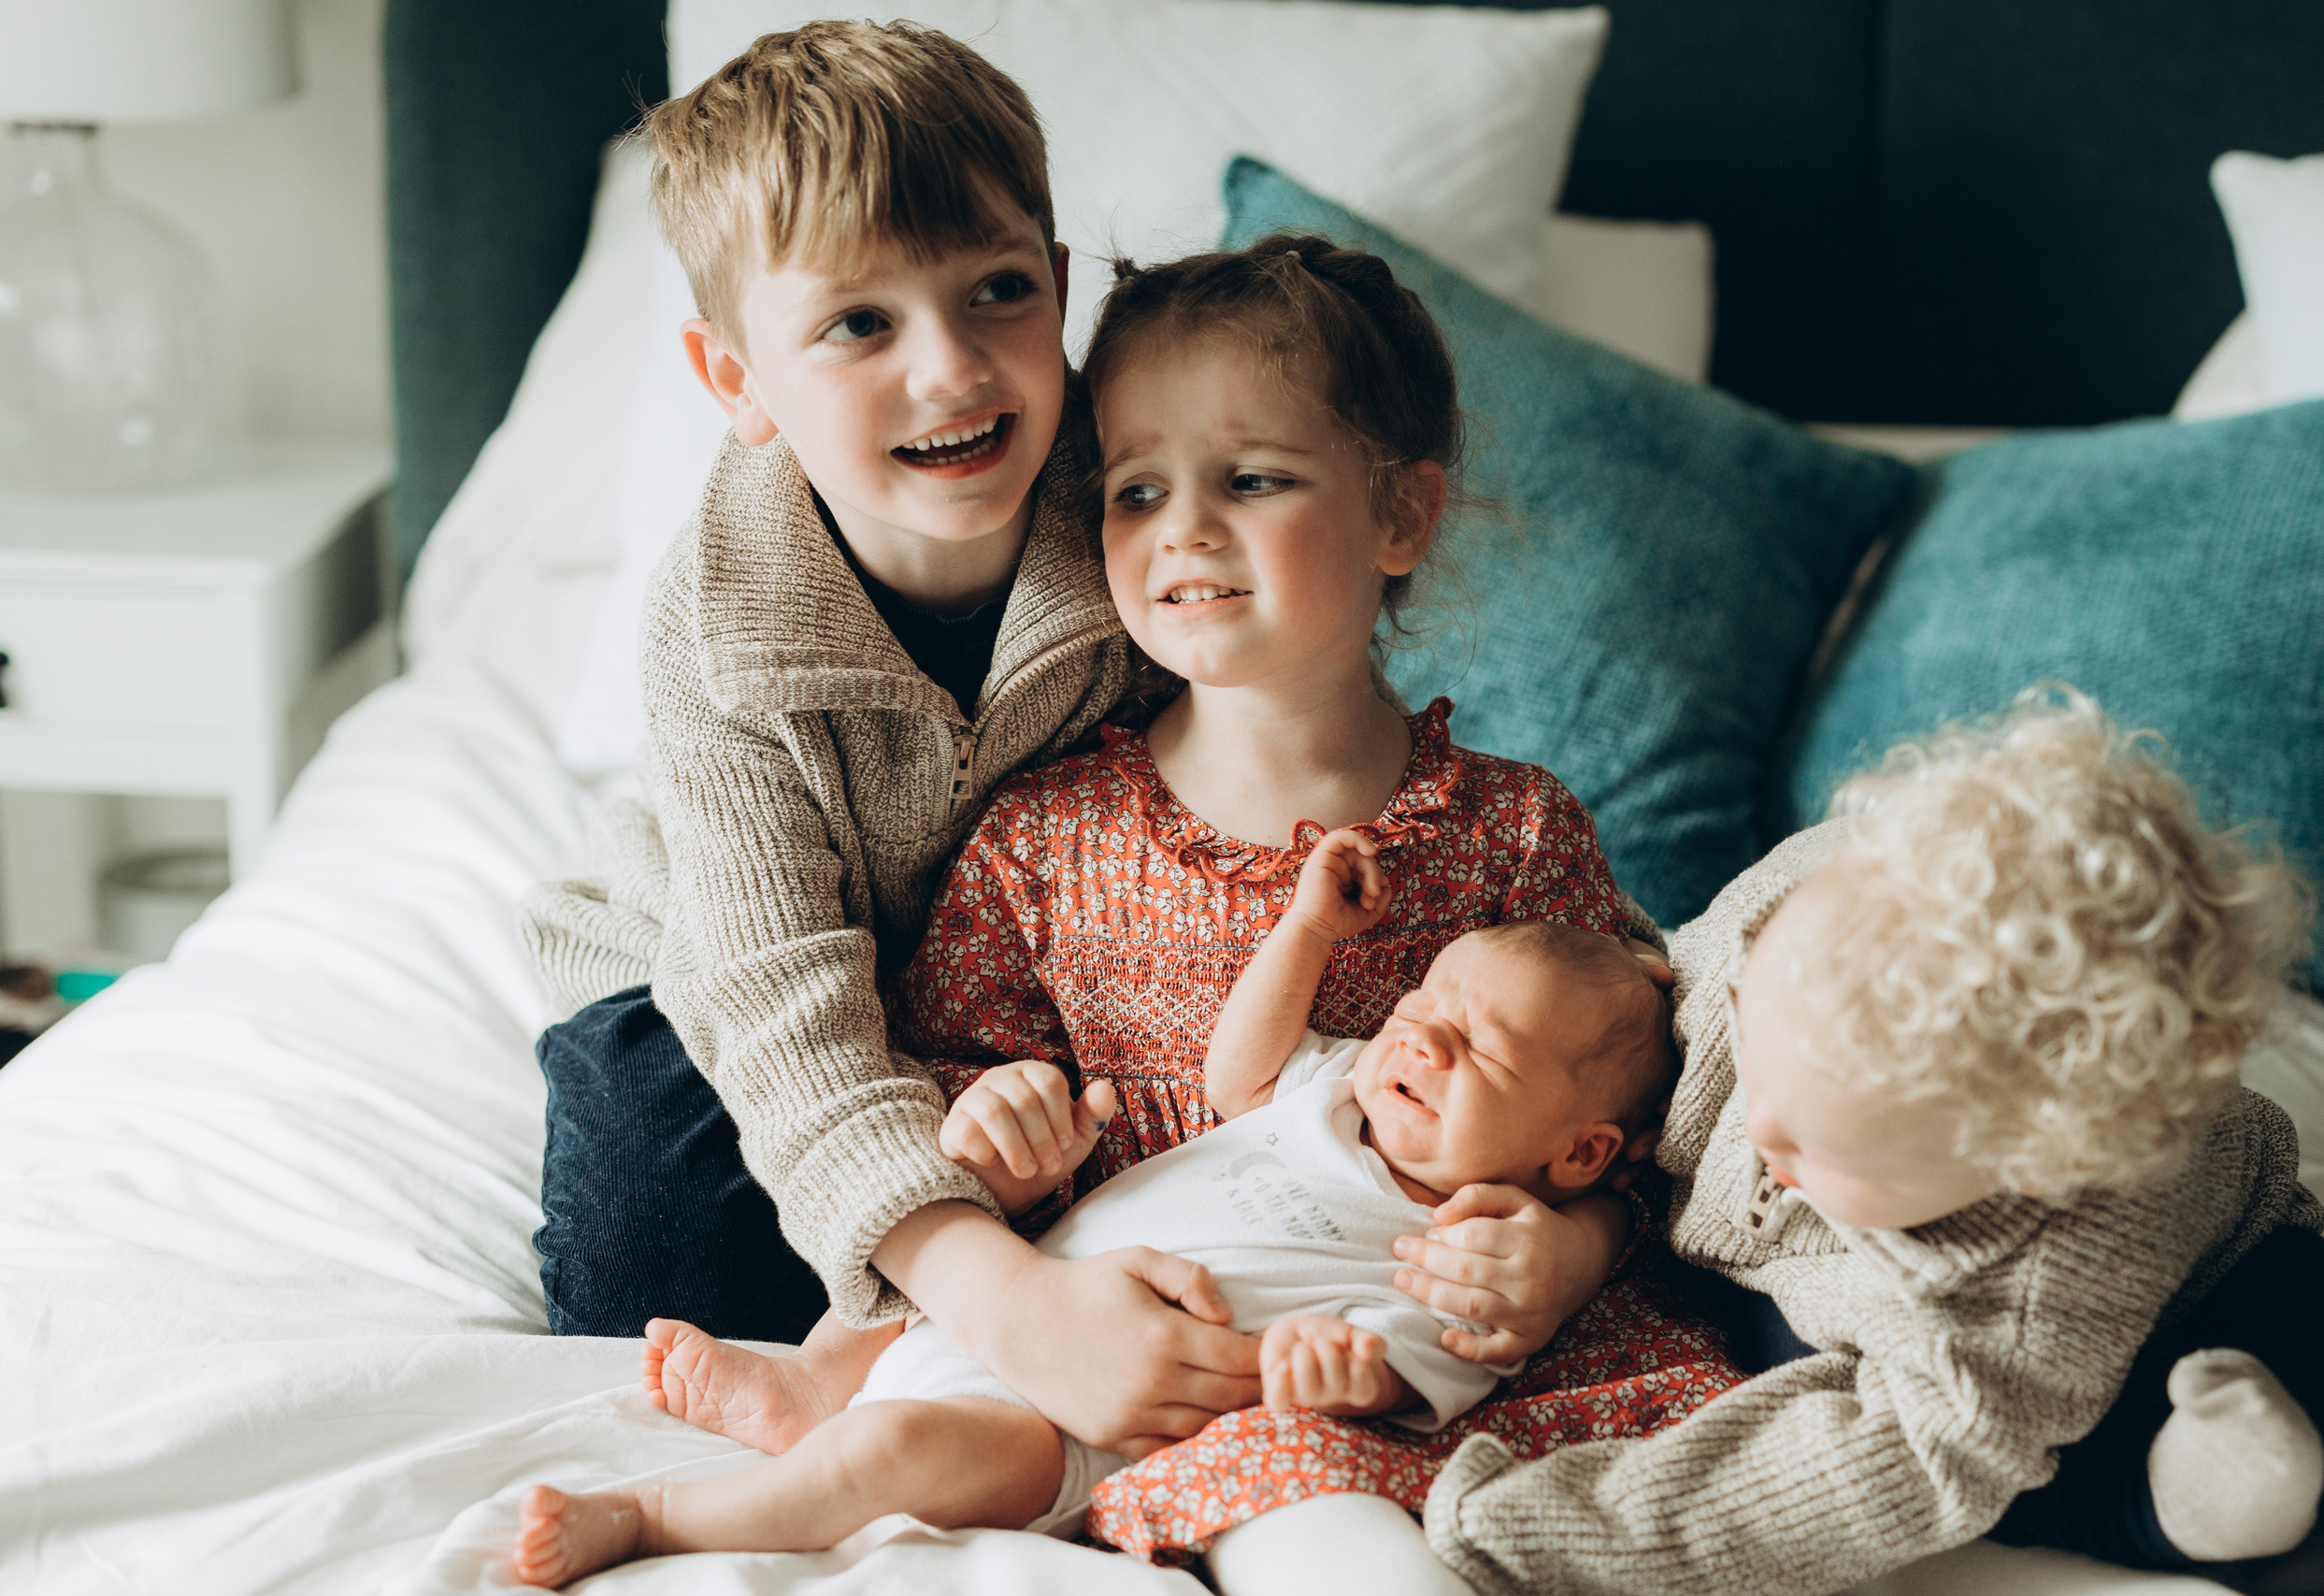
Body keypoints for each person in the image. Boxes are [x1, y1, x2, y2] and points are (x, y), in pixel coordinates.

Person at [612, 237, 1740, 1574]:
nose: (1184, 529)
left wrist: (1570, 1245)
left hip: (1384, 1346)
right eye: (1137, 488)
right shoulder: (1047, 831)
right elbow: (944, 1071)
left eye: (1251, 479)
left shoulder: (1513, 827)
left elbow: (1634, 1098)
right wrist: (997, 1129)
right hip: (1109, 1334)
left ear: (1400, 515)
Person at [516, 22, 1271, 1454]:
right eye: (859, 323)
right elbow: (778, 993)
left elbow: (1227, 790)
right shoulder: (717, 617)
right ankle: (919, 1313)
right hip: (721, 970)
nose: (952, 370)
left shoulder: (1134, 515)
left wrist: (1025, 1098)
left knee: (1216, 1151)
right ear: (734, 378)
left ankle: (948, 1258)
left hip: (1022, 998)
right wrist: (1009, 1302)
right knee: (650, 1257)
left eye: (996, 290)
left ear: (1059, 291)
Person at [509, 829, 1686, 1585]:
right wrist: (1309, 929)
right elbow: (1241, 1064)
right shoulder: (1338, 1091)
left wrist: (1343, 1372)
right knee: (935, 1207)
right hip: (1019, 1288)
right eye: (1426, 1000)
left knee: (898, 1448)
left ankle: (665, 1520)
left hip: (1067, 1429)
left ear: (1578, 1153)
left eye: (1479, 1047)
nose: (1421, 1033)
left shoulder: (1470, 1256)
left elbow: (1416, 1365)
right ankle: (811, 1383)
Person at [1422, 690, 2324, 1594]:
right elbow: (1645, 986)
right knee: (1768, 1330)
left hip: (2211, 1269)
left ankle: (2169, 1504)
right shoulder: (1812, 909)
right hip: (1850, 1279)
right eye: (1761, 1063)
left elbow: (1840, 1475)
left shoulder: (2007, 1306)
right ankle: (2201, 1490)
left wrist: (1531, 1532)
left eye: (1822, 1150)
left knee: (2292, 1374)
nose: (1758, 1142)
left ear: (2017, 1162)